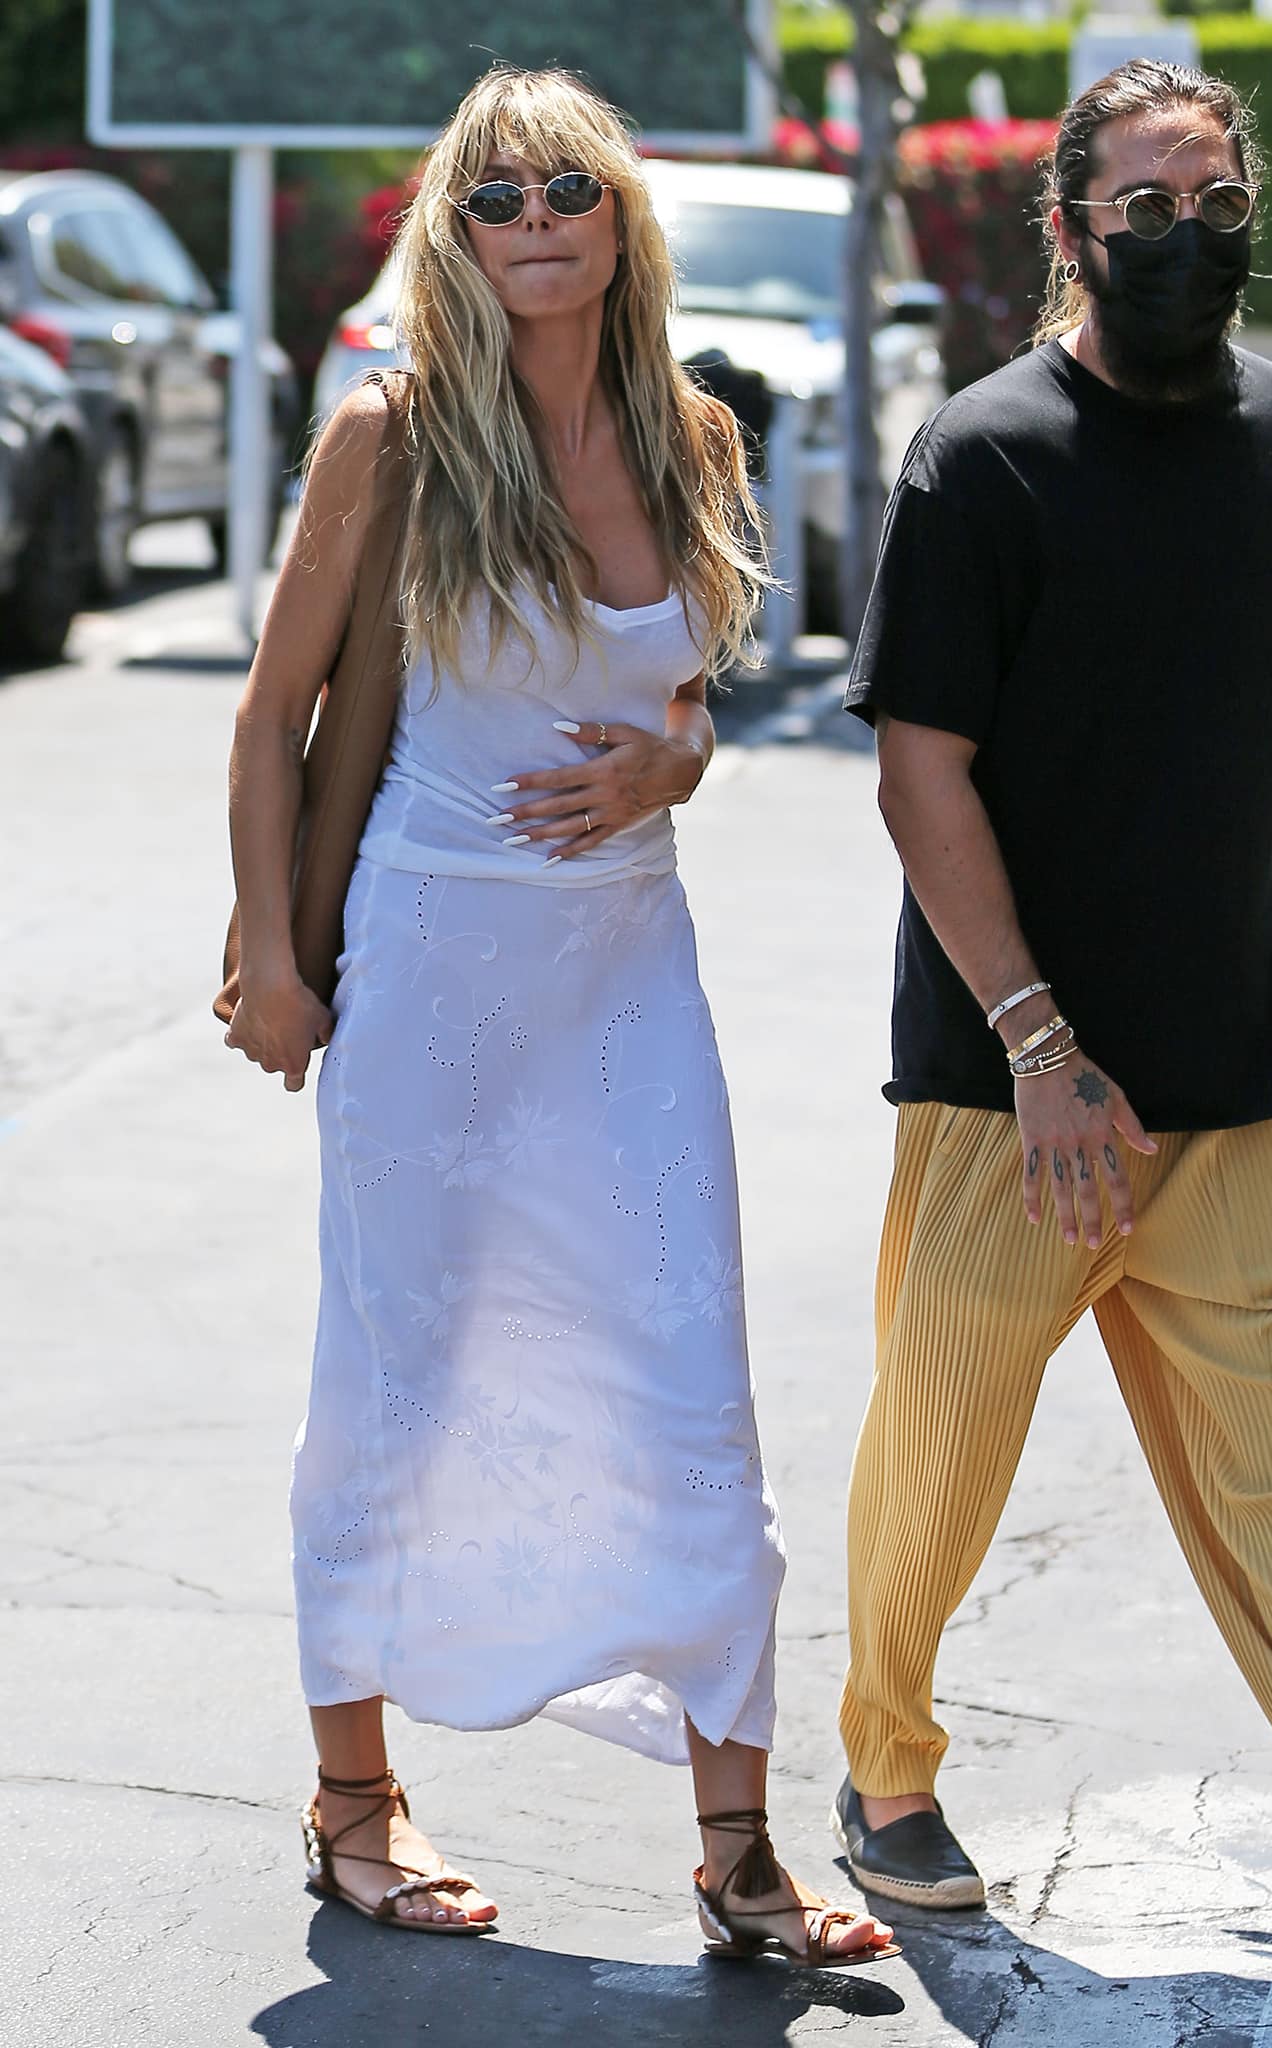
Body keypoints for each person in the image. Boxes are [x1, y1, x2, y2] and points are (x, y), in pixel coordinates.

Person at [830, 58, 1272, 1993]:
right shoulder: (979, 459)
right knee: (949, 1435)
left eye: (1212, 195)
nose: (1183, 232)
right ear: (1068, 232)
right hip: (1022, 1088)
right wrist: (1043, 1042)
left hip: (1243, 1054)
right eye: (1140, 205)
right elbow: (923, 774)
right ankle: (883, 1777)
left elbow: (1213, 730)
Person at [224, 62, 894, 1969]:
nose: (533, 223)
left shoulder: (695, 431)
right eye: (496, 196)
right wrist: (277, 957)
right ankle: (356, 1800)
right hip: (435, 973)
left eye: (567, 193)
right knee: (399, 1371)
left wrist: (675, 769)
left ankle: (740, 1856)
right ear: (458, 224)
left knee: (693, 1373)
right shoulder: (400, 433)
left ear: (621, 218)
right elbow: (274, 712)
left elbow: (689, 701)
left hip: (627, 978)